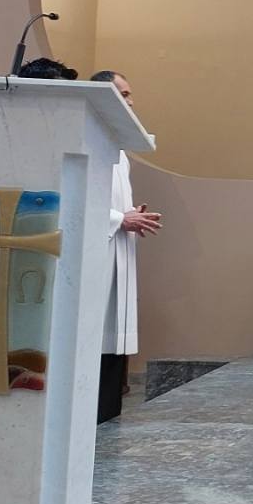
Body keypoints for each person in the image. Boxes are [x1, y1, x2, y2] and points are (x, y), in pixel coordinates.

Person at [90, 71, 161, 422]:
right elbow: (74, 201)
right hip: (96, 256)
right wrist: (120, 219)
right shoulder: (87, 144)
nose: (131, 102)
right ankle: (94, 415)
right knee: (95, 336)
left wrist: (130, 215)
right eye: (124, 94)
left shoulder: (120, 153)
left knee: (114, 338)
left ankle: (109, 414)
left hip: (118, 249)